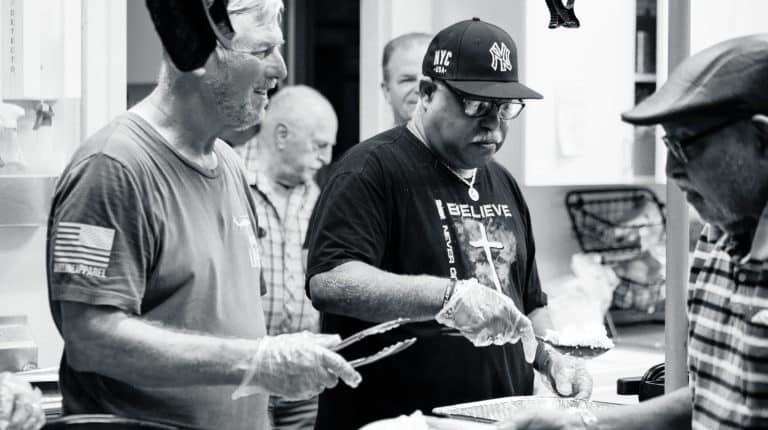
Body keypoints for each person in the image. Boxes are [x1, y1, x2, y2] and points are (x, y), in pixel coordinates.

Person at [45, 1, 360, 429]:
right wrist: (255, 360)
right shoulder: (114, 167)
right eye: (263, 51)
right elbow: (90, 339)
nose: (282, 69)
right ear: (193, 52)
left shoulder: (229, 165)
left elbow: (237, 325)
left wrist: (263, 370)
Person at [305, 18, 593, 430]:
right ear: (426, 93)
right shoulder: (371, 170)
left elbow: (530, 303)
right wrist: (446, 297)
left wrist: (553, 359)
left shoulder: (503, 183)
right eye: (475, 105)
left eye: (505, 108)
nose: (493, 125)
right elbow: (330, 281)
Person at [501, 34, 768, 430]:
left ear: (762, 141)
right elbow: (717, 394)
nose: (671, 174)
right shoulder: (715, 241)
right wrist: (583, 426)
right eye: (666, 147)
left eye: (686, 147)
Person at [237, 85, 337, 430]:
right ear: (282, 135)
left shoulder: (317, 195)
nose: (326, 159)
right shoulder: (227, 178)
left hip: (304, 381)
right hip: (244, 376)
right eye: (320, 145)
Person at [380, 32, 432, 126]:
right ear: (386, 91)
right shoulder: (373, 141)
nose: (420, 89)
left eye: (431, 78)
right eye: (408, 80)